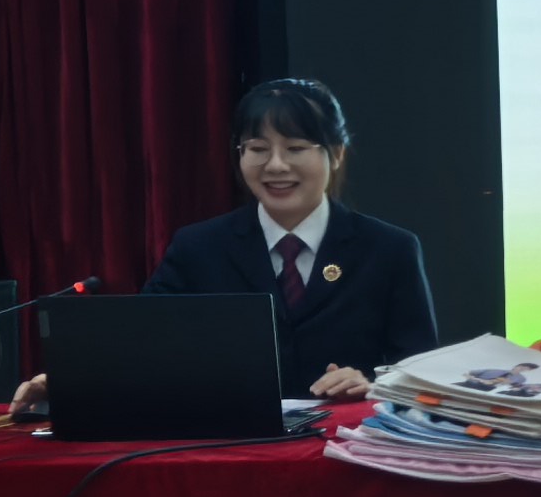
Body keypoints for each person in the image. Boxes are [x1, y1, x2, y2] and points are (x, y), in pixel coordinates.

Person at [144, 76, 438, 402]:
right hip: (233, 430)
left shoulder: (389, 249)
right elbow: (147, 349)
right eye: (258, 149)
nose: (276, 165)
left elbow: (419, 373)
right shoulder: (198, 248)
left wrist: (372, 385)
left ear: (336, 154)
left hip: (346, 431)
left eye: (295, 148)